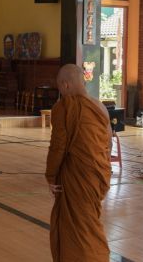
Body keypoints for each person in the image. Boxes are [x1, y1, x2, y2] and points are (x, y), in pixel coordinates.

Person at [46, 64, 112, 262]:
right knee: (88, 223)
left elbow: (58, 147)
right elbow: (107, 144)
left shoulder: (63, 108)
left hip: (76, 178)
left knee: (77, 228)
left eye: (59, 88)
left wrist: (50, 175)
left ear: (65, 85)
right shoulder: (100, 108)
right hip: (96, 177)